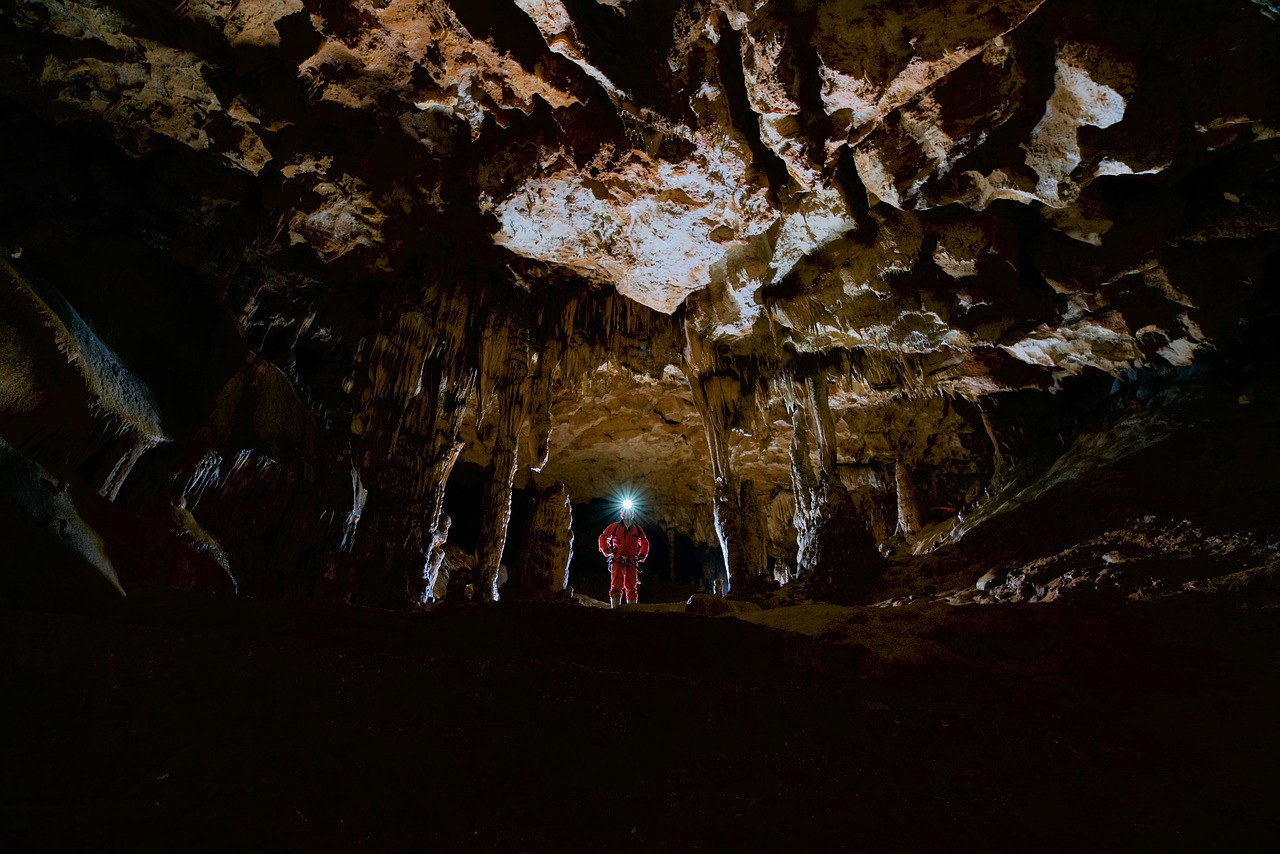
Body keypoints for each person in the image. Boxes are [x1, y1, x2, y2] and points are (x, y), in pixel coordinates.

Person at [598, 501, 649, 607]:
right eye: (625, 512)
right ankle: (615, 609)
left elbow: (645, 543)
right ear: (621, 513)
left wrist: (641, 555)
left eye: (629, 512)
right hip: (617, 559)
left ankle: (632, 610)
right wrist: (607, 550)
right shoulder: (615, 527)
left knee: (631, 586)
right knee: (616, 585)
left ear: (632, 514)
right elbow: (603, 537)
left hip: (631, 561)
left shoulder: (637, 529)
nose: (627, 514)